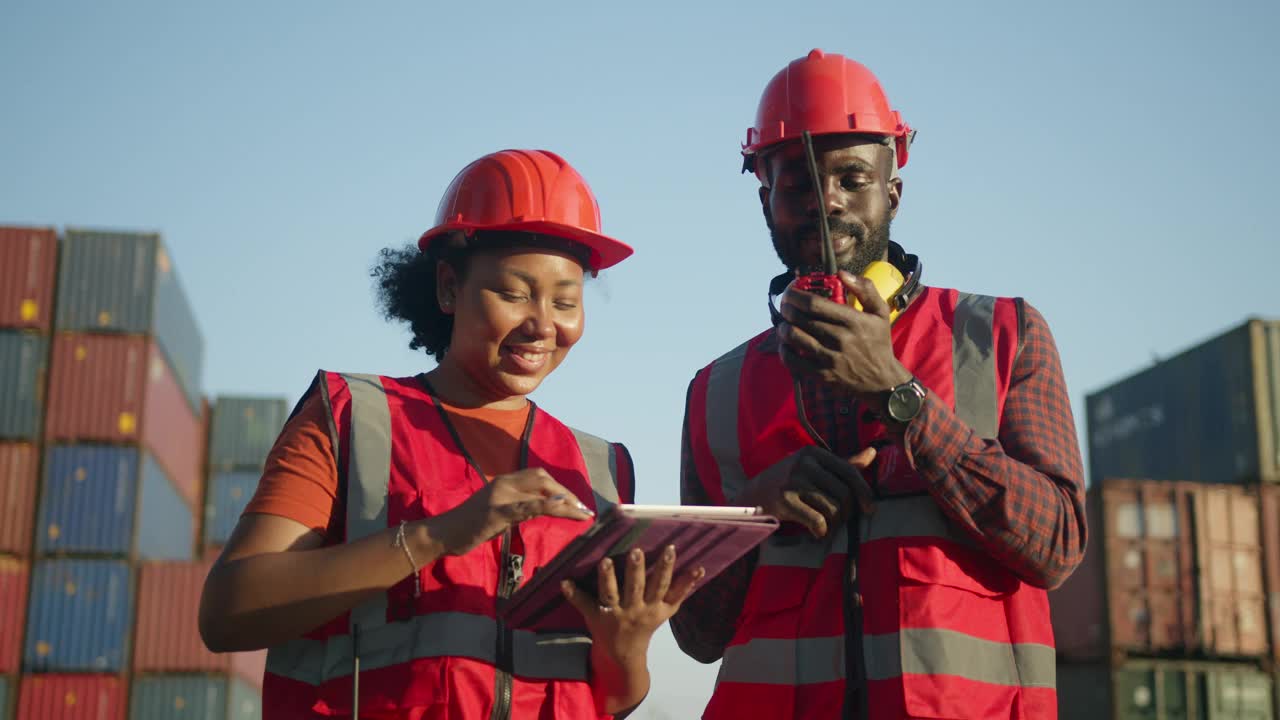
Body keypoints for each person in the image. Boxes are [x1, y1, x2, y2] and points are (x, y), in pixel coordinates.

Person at [200, 149, 703, 720]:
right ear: (447, 288)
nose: (542, 323)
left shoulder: (601, 467)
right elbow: (227, 612)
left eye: (566, 301)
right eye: (514, 294)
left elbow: (609, 698)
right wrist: (437, 537)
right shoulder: (351, 419)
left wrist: (627, 643)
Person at [669, 50, 1087, 720]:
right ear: (765, 201)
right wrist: (755, 514)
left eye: (851, 178)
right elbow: (695, 635)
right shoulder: (716, 391)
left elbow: (1057, 544)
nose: (824, 200)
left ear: (892, 191)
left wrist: (902, 398)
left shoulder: (1000, 335)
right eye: (797, 184)